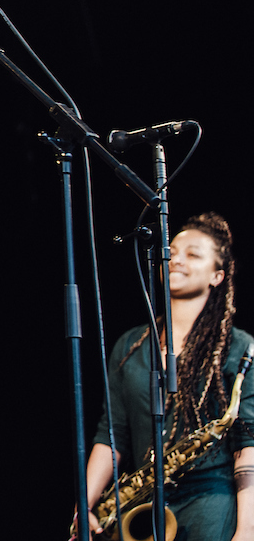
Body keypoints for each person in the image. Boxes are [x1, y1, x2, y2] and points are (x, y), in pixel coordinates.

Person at [74, 213, 254, 541]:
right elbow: (111, 433)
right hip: (144, 504)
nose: (175, 259)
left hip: (211, 504)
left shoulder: (239, 346)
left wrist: (247, 530)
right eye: (172, 250)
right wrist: (84, 505)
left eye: (193, 254)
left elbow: (248, 442)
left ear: (217, 276)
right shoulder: (130, 345)